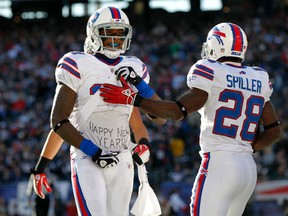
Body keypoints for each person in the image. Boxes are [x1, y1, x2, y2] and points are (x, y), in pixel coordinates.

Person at [99, 22, 281, 215]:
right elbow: (274, 130)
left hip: (220, 163)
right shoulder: (257, 77)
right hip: (248, 168)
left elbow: (176, 112)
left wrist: (134, 98)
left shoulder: (212, 71)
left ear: (216, 45)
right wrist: (249, 147)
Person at [30, 6, 166, 216]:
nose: (114, 40)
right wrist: (41, 167)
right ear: (94, 34)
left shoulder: (134, 68)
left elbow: (151, 120)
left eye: (119, 34)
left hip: (122, 157)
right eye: (108, 33)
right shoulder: (78, 63)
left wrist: (144, 144)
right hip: (87, 156)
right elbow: (60, 123)